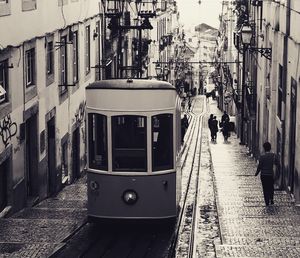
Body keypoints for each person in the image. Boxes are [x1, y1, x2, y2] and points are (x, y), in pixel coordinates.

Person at [255, 142, 280, 206]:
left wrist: (256, 173)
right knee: (271, 187)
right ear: (270, 148)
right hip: (271, 175)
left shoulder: (262, 157)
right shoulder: (273, 155)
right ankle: (271, 198)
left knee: (265, 188)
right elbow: (278, 164)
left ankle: (266, 201)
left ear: (264, 148)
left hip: (263, 175)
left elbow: (259, 166)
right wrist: (278, 173)